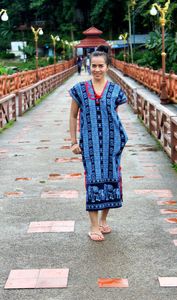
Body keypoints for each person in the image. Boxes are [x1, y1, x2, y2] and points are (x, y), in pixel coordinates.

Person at [69, 46, 128, 242]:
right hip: (90, 145)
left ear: (107, 67)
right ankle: (93, 226)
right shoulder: (80, 90)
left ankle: (103, 220)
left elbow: (114, 116)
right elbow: (73, 115)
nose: (97, 69)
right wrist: (73, 141)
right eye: (93, 66)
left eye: (100, 66)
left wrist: (120, 138)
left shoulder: (115, 91)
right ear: (89, 66)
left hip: (112, 145)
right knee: (93, 182)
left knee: (112, 180)